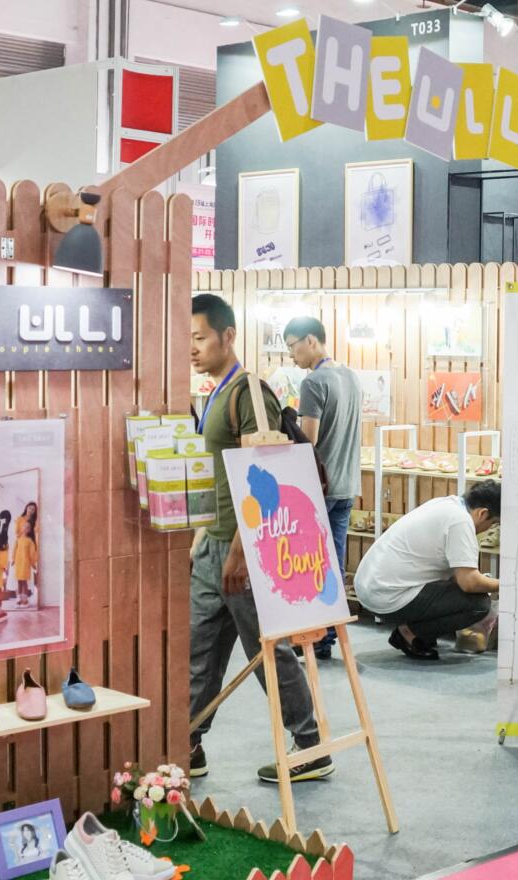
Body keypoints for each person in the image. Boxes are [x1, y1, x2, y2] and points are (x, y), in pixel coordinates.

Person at [187, 294, 329, 784]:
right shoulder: (216, 393)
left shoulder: (248, 392)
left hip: (243, 551)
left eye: (200, 337)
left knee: (268, 652)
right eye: (187, 339)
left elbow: (265, 477)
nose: (193, 348)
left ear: (228, 336)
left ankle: (310, 745)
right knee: (198, 650)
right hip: (213, 547)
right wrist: (206, 539)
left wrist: (241, 550)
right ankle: (189, 742)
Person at [284, 316, 362, 661]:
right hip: (347, 487)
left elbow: (308, 441)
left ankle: (315, 636)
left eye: (293, 346)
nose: (291, 355)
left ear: (311, 341)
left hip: (319, 490)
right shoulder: (351, 377)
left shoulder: (314, 382)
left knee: (310, 564)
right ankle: (326, 637)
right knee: (334, 563)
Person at [354, 481, 500, 660]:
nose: (489, 529)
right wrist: (507, 584)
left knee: (455, 589)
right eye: (493, 523)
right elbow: (469, 582)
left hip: (370, 586)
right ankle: (409, 634)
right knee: (478, 605)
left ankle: (419, 631)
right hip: (386, 595)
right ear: (482, 513)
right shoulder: (461, 521)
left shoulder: (447, 504)